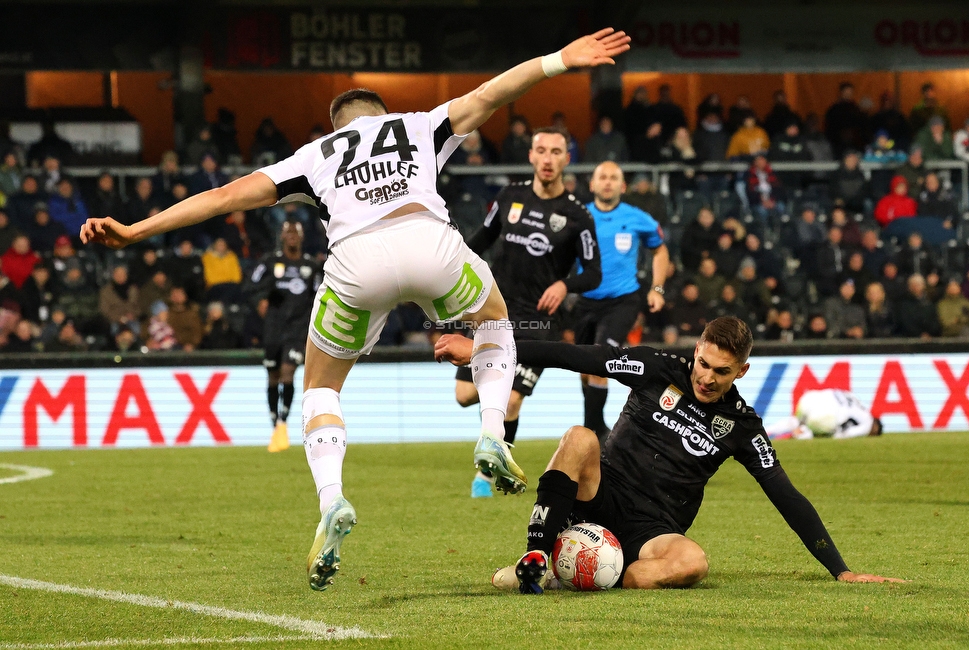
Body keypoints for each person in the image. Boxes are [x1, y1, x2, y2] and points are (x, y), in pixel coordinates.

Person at [80, 28, 631, 591]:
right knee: (493, 320)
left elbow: (222, 197)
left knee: (320, 386)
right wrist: (561, 59)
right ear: (381, 114)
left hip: (355, 263)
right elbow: (493, 93)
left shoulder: (313, 157)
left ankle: (332, 501)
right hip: (429, 241)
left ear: (336, 125)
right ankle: (493, 432)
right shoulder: (420, 124)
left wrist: (137, 230)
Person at [433, 316, 903, 592]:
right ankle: (536, 558)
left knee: (693, 562)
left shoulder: (741, 426)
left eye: (721, 371)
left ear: (741, 370)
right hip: (603, 492)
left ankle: (582, 572)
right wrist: (482, 349)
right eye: (703, 363)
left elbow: (786, 495)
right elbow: (578, 356)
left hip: (654, 529)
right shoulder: (658, 367)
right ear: (696, 350)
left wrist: (841, 570)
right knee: (580, 437)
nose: (706, 378)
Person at [455, 124, 602, 498]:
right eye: (542, 151)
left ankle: (488, 475)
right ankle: (500, 450)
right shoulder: (508, 197)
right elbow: (480, 242)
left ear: (567, 159)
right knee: (465, 395)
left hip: (538, 323)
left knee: (510, 397)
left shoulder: (577, 216)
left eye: (557, 151)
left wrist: (564, 284)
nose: (548, 159)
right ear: (531, 156)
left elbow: (594, 272)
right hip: (492, 312)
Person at [574, 161, 668, 441]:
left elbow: (660, 252)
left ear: (622, 186)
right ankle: (592, 425)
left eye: (613, 178)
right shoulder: (579, 216)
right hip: (585, 302)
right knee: (583, 369)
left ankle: (593, 432)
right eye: (601, 176)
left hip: (622, 301)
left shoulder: (638, 218)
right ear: (592, 184)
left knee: (601, 359)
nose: (607, 182)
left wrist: (657, 289)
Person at [245, 220, 321, 452]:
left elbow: (319, 295)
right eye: (287, 232)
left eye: (295, 232)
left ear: (301, 237)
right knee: (273, 376)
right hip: (274, 327)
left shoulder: (311, 266)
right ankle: (275, 427)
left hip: (297, 329)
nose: (292, 236)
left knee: (288, 371)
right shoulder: (270, 262)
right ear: (282, 236)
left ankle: (282, 424)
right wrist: (261, 299)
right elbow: (249, 285)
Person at [765, 389, 883, 440]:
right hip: (824, 416)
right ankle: (789, 436)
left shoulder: (855, 399)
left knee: (795, 421)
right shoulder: (868, 423)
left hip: (809, 399)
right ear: (875, 428)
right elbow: (846, 434)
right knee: (809, 431)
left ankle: (764, 431)